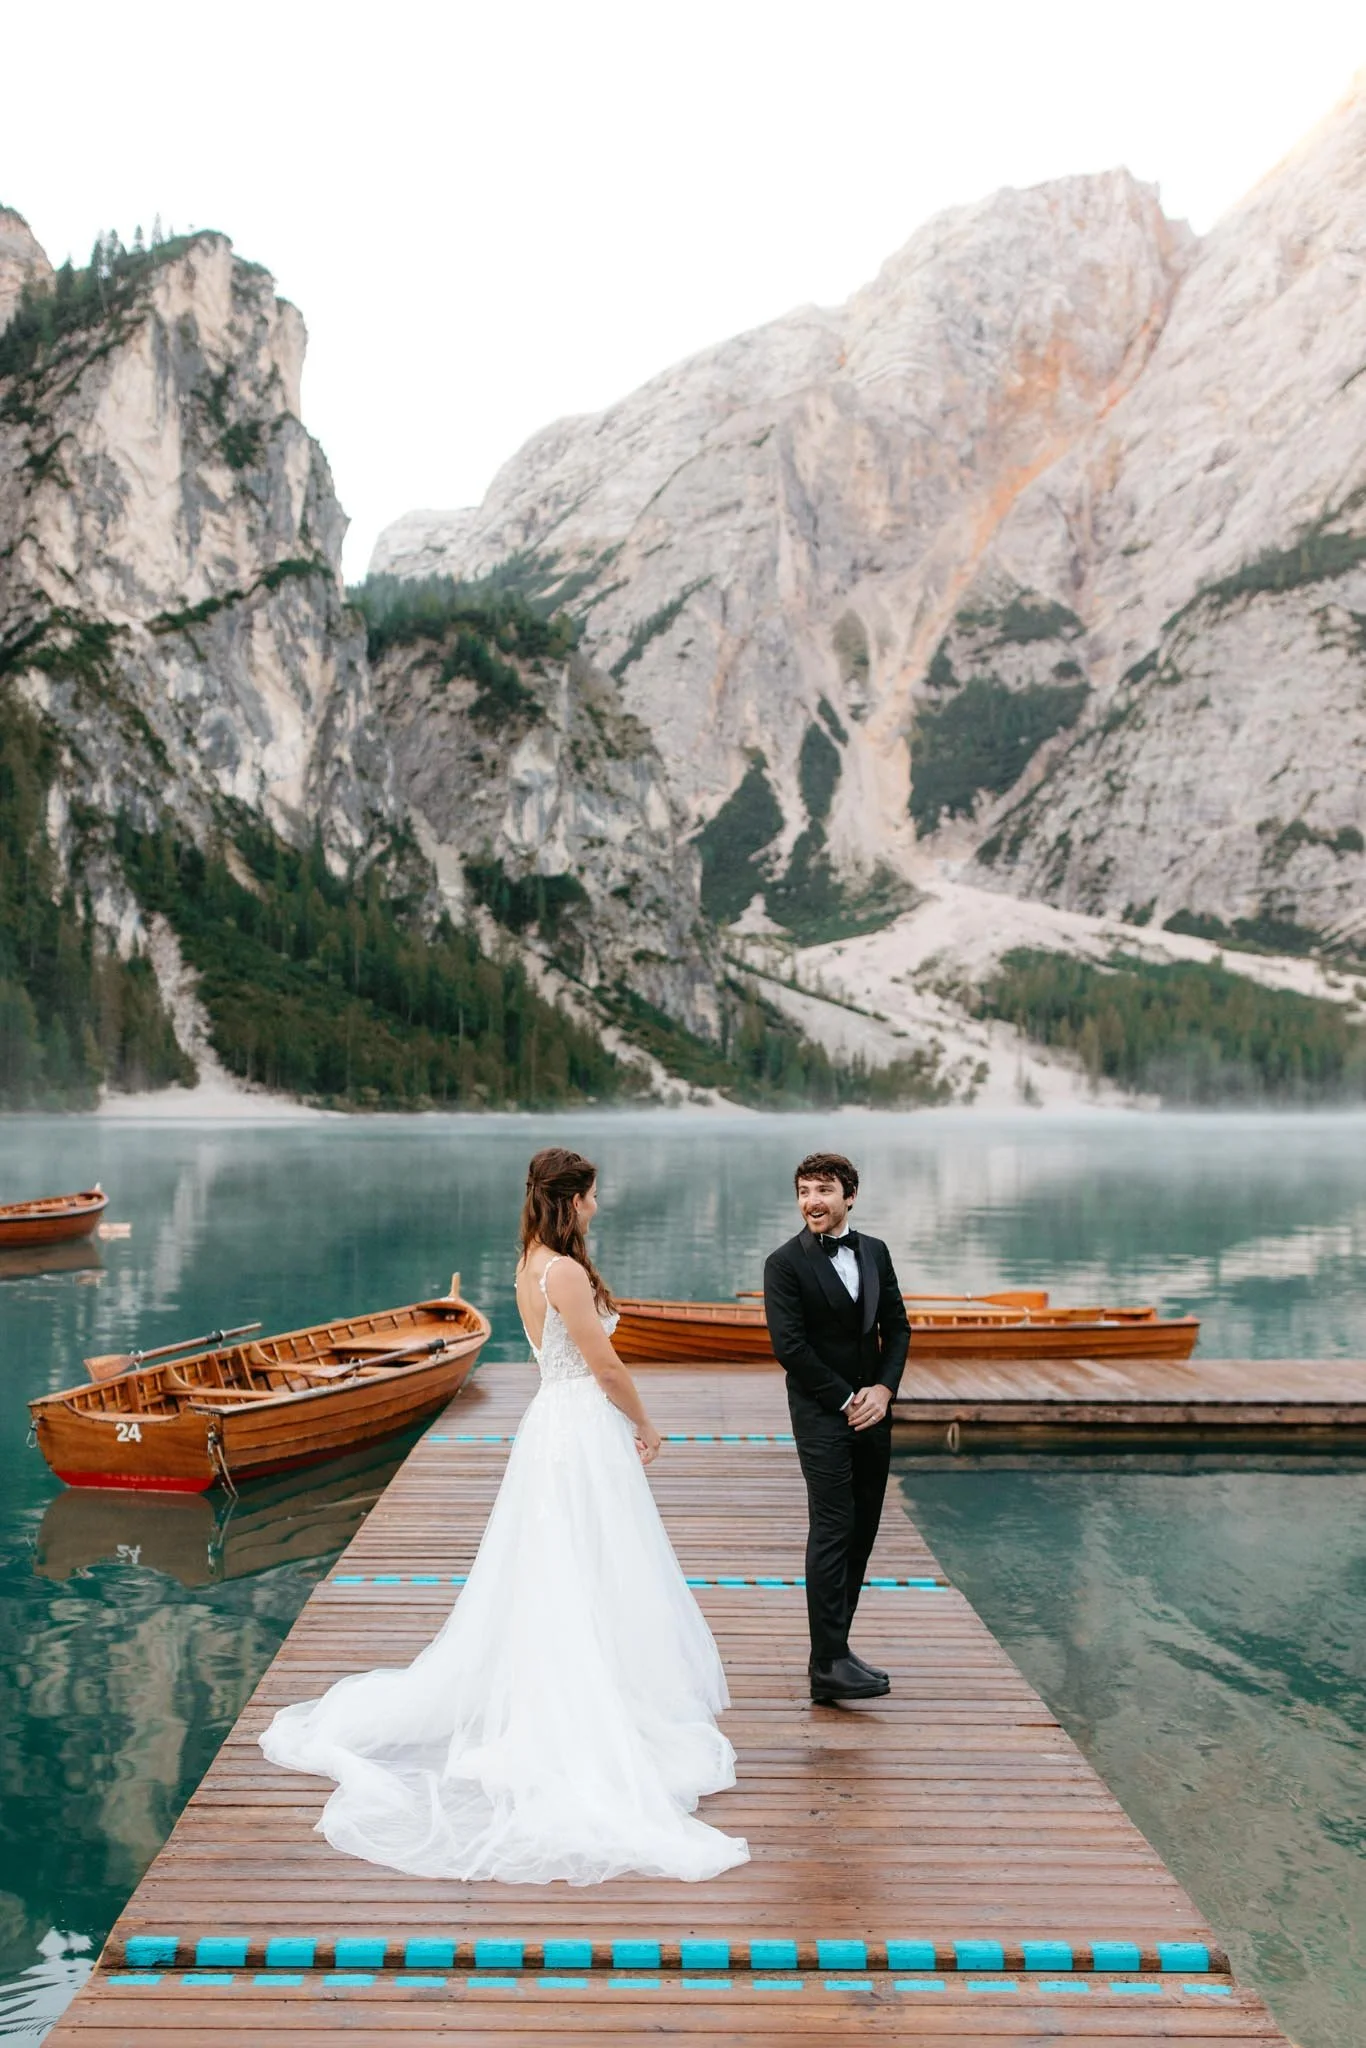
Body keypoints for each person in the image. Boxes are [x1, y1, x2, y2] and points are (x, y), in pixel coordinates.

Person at [259, 1146, 748, 1885]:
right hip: (582, 1426)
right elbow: (606, 1366)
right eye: (592, 1196)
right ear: (572, 1198)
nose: (598, 1206)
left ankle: (580, 1687)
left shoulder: (529, 1262)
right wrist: (646, 1424)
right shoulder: (566, 1271)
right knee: (592, 1563)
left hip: (552, 1423)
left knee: (559, 1568)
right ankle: (587, 1709)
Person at [763, 1151, 910, 1702]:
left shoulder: (874, 1252)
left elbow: (897, 1330)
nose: (811, 1201)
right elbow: (790, 1348)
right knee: (832, 1526)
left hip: (875, 1411)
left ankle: (837, 1649)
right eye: (803, 1191)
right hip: (822, 1413)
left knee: (864, 1527)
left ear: (850, 1195)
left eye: (823, 1190)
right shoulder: (784, 1263)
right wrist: (848, 1398)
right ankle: (826, 1662)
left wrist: (884, 1390)